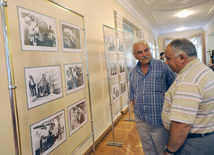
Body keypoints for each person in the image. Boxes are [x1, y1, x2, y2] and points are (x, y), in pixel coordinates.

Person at [162, 38, 214, 155]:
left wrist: (170, 151)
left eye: (168, 58)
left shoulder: (189, 80)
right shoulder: (201, 70)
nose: (166, 62)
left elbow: (182, 124)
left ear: (181, 58)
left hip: (193, 143)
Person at [129, 40, 176, 155]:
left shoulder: (163, 66)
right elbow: (133, 94)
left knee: (163, 150)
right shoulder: (133, 72)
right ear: (135, 56)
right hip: (141, 120)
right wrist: (136, 112)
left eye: (146, 50)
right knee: (148, 150)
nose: (144, 54)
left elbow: (175, 88)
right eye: (140, 52)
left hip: (159, 120)